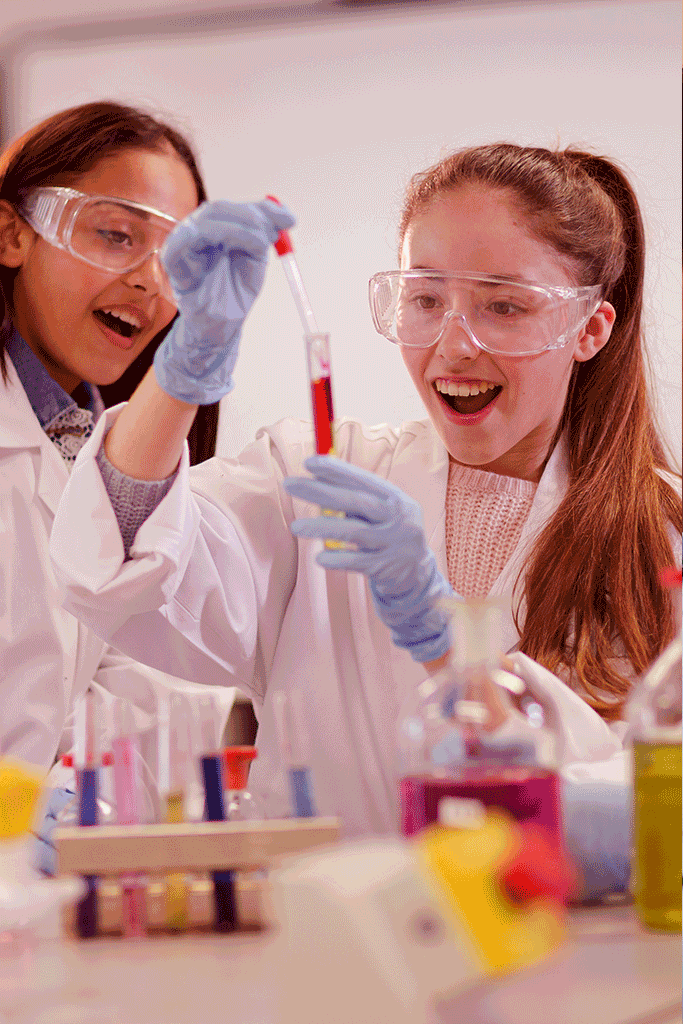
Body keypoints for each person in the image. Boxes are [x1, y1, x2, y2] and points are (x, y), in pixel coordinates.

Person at [50, 143, 681, 898]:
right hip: (327, 967)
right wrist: (183, 366)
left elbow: (640, 814)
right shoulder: (321, 479)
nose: (452, 344)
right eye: (424, 299)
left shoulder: (660, 534)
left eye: (503, 305)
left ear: (589, 328)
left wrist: (447, 646)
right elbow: (121, 562)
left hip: (564, 984)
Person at [0, 102, 236, 858]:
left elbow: (135, 674)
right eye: (116, 235)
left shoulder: (108, 451)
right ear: (12, 233)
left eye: (179, 257)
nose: (150, 282)